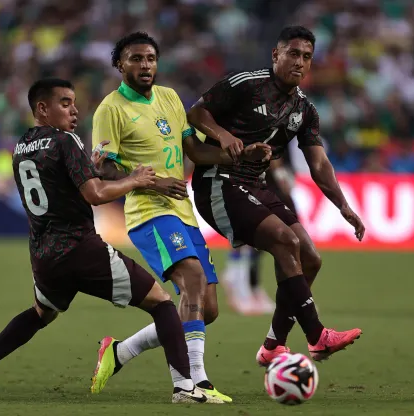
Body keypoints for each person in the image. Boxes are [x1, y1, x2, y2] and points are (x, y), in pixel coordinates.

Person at [0, 78, 214, 404]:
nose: (74, 110)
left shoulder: (21, 147)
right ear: (42, 108)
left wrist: (104, 169)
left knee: (40, 313)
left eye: (74, 102)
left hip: (43, 254)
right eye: (64, 103)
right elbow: (95, 194)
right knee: (162, 304)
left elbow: (79, 178)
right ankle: (185, 386)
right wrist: (134, 180)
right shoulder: (65, 140)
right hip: (79, 247)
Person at [90, 32, 270, 403]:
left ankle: (120, 351)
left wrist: (240, 156)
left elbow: (194, 151)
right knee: (191, 278)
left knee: (207, 308)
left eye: (151, 58)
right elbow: (104, 169)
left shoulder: (170, 98)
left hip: (182, 212)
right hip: (147, 213)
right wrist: (151, 182)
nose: (145, 65)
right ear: (120, 64)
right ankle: (193, 383)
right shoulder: (110, 109)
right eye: (136, 59)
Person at [187, 26, 366, 366]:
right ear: (276, 55)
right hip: (218, 182)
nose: (300, 62)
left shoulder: (305, 109)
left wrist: (344, 206)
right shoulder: (246, 83)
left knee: (311, 257)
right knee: (285, 241)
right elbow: (196, 112)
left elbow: (319, 162)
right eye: (294, 54)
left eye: (307, 57)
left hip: (256, 185)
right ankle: (317, 336)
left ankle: (273, 345)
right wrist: (223, 135)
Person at [223, 157, 296, 316]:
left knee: (259, 239)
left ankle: (250, 286)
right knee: (248, 234)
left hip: (262, 181)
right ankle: (241, 285)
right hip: (245, 179)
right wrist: (279, 171)